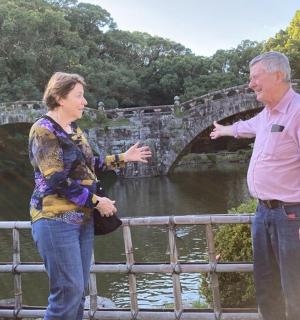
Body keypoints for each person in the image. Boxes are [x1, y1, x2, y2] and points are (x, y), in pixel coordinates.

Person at [29, 72, 152, 320]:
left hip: (82, 220)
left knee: (78, 293)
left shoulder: (73, 129)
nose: (85, 102)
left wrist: (122, 158)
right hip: (55, 220)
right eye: (79, 96)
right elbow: (55, 179)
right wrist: (97, 201)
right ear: (59, 98)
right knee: (67, 293)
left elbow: (88, 164)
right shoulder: (43, 130)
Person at [210, 51, 300, 320]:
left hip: (292, 215)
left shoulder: (297, 112)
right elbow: (244, 127)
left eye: (255, 77)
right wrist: (225, 130)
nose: (250, 84)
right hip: (263, 214)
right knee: (266, 286)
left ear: (278, 75)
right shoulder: (266, 115)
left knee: (296, 289)